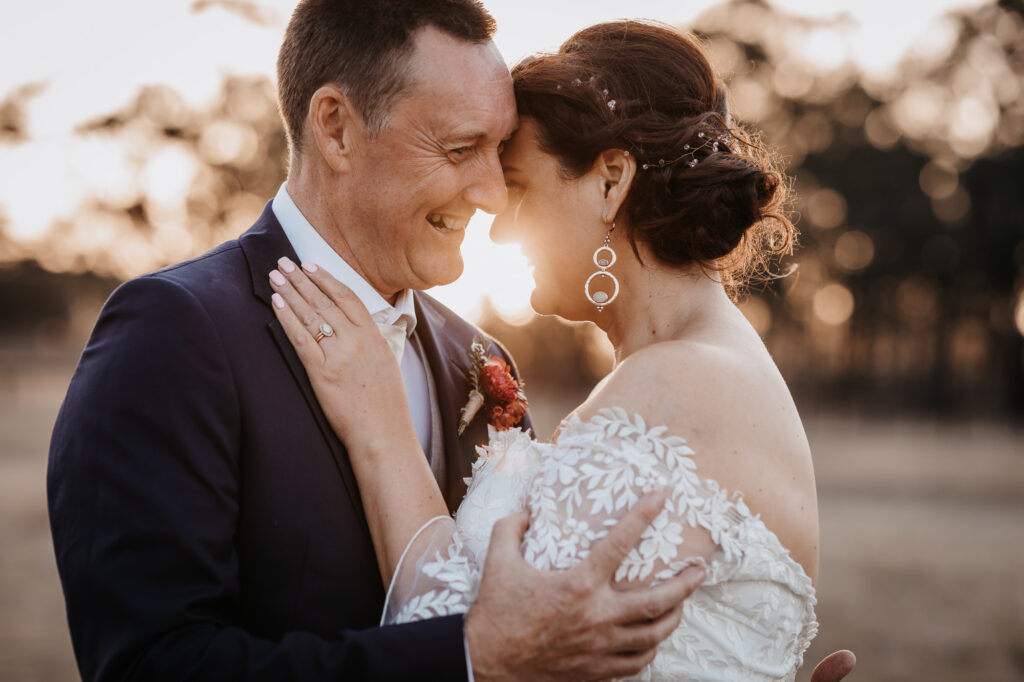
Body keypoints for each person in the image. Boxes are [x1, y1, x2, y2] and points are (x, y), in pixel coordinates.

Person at [46, 3, 709, 681]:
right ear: (336, 130)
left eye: (500, 152)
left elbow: (562, 626)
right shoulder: (175, 334)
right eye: (460, 148)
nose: (489, 194)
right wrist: (469, 660)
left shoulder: (481, 362)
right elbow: (153, 665)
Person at [267, 18, 847, 681]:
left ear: (610, 182)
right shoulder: (714, 368)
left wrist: (381, 428)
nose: (500, 226)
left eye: (518, 188)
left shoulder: (670, 386)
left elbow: (475, 643)